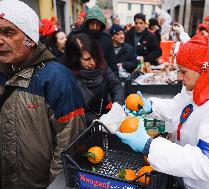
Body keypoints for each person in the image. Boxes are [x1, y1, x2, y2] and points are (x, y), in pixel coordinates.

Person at [114, 35, 209, 188]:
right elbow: (179, 107)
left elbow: (207, 163)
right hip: (186, 176)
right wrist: (151, 106)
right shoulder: (201, 82)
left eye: (183, 71)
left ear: (202, 70)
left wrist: (150, 146)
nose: (178, 77)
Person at [0, 0, 86, 188]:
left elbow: (69, 147)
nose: (0, 40)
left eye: (8, 32)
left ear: (30, 38)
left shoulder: (58, 79)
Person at [64, 32, 125, 125]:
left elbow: (116, 86)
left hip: (109, 117)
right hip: (86, 127)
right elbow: (73, 109)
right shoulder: (69, 78)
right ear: (75, 60)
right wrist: (94, 121)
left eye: (94, 57)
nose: (93, 63)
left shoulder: (102, 65)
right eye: (87, 59)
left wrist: (117, 105)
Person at [80, 5, 118, 76]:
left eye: (97, 24)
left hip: (101, 78)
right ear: (87, 24)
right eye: (92, 24)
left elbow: (112, 64)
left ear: (101, 25)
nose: (94, 27)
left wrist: (116, 83)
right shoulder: (78, 36)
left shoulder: (106, 39)